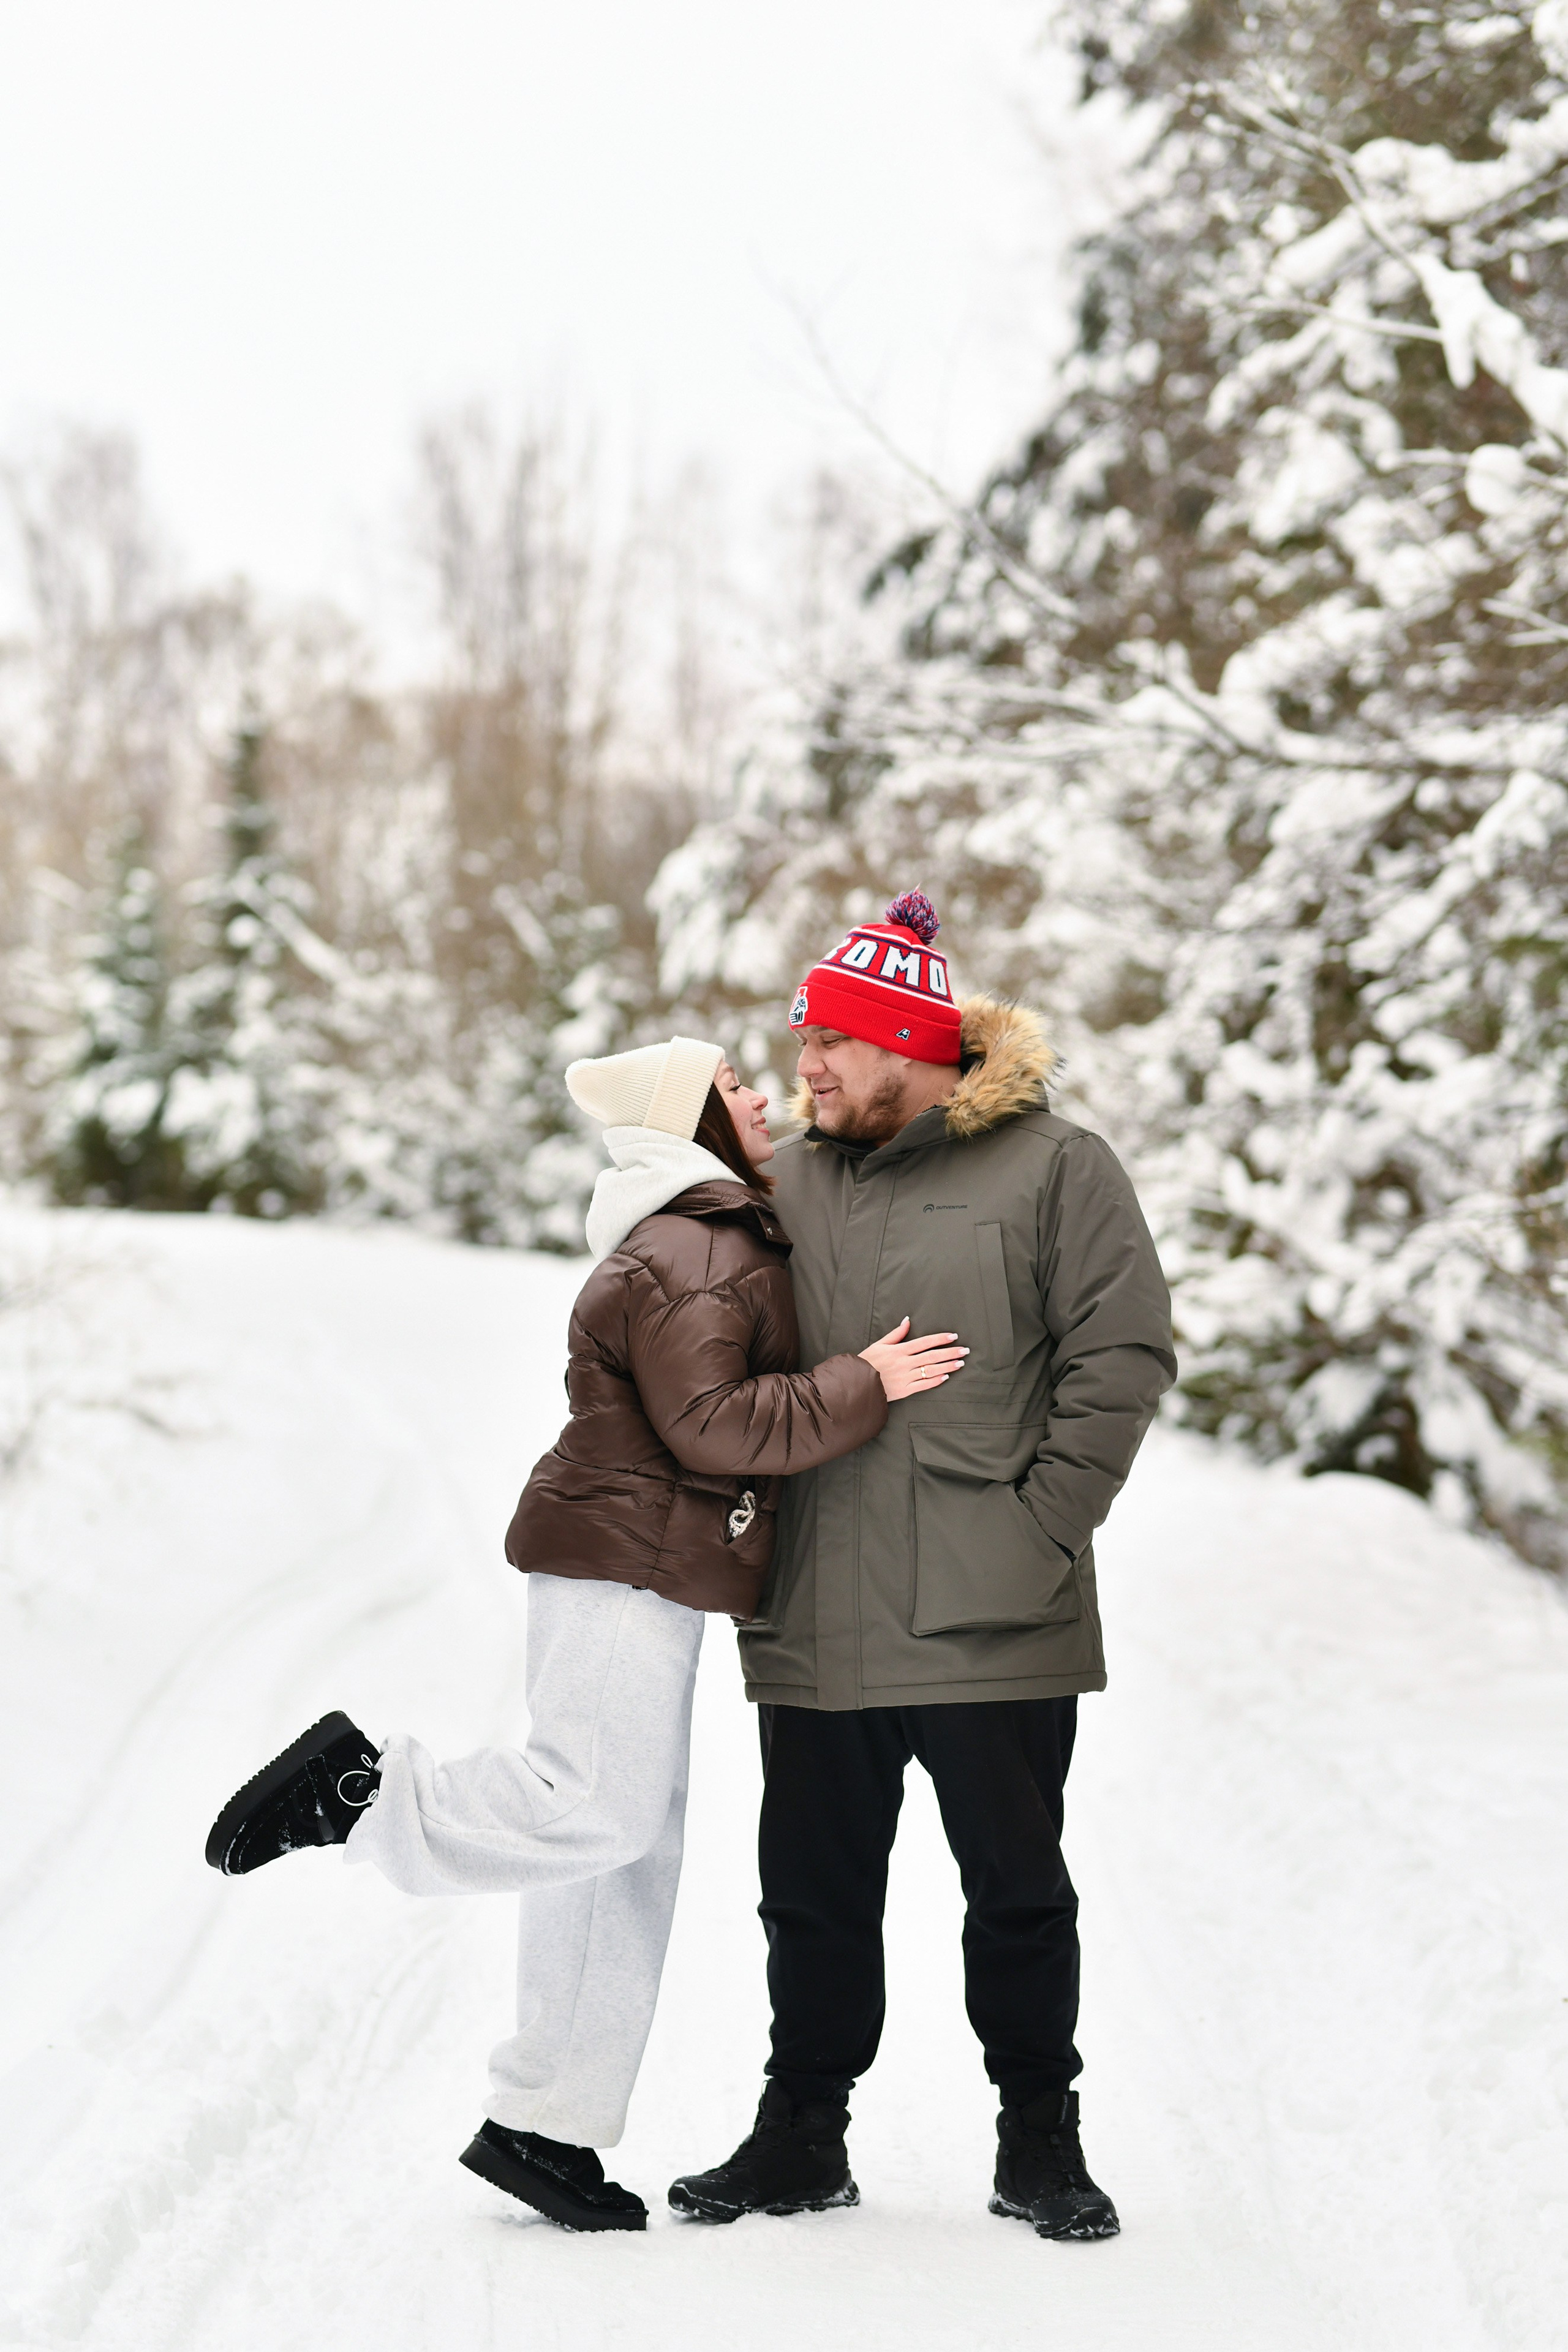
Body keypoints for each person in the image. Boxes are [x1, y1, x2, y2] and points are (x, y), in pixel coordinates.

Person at [204, 1034, 966, 2234]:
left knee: (616, 1849)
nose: (761, 1095)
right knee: (596, 1807)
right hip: (625, 1559)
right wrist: (860, 1382)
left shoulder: (702, 1226)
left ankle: (543, 2125)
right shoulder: (696, 1240)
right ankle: (360, 1794)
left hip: (640, 1558)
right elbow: (711, 1423)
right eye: (733, 1087)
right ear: (691, 1117)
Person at [666, 893, 1175, 2241]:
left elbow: (1118, 1359)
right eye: (801, 1044)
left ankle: (1039, 2144)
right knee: (810, 1896)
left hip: (989, 1610)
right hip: (817, 1607)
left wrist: (1037, 1529)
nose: (805, 1068)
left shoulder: (1058, 1169)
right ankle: (798, 2137)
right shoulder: (785, 1182)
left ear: (907, 1045)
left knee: (1014, 1894)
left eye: (829, 1043)